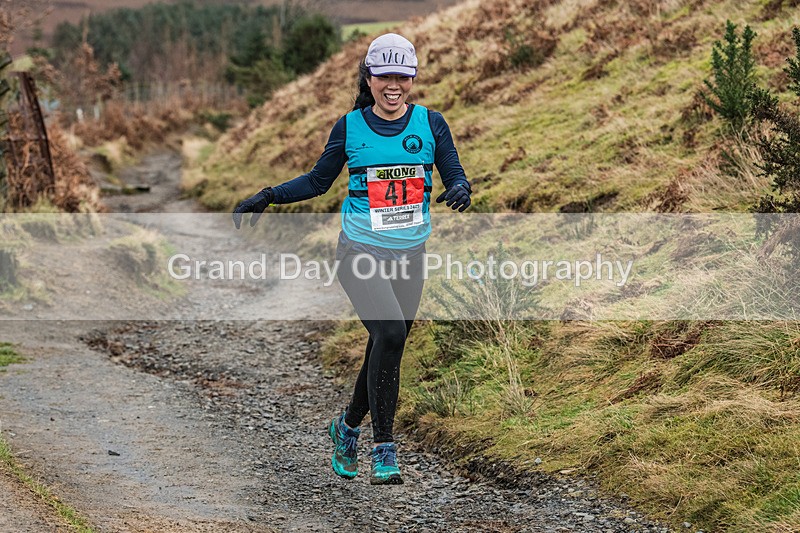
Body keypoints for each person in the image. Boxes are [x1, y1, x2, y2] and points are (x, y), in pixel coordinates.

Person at [233, 33, 472, 485]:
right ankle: (384, 448)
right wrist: (267, 197)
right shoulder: (350, 127)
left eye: (403, 75)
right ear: (370, 77)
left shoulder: (431, 124)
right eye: (384, 75)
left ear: (413, 78)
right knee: (390, 332)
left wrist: (460, 188)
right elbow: (317, 181)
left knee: (389, 342)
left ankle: (346, 426)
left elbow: (454, 173)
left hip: (410, 253)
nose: (394, 84)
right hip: (359, 251)